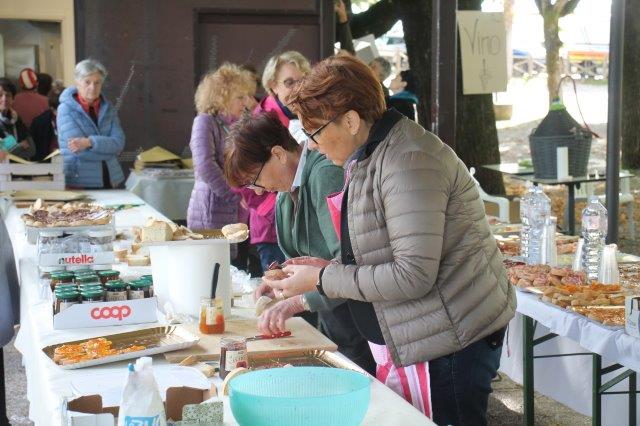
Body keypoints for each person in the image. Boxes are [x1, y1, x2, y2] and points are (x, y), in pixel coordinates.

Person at [263, 55, 516, 425]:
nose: (312, 146)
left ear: (351, 121)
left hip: (452, 340)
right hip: (429, 332)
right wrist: (327, 267)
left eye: (314, 132)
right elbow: (381, 248)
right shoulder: (373, 153)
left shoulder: (407, 162)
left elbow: (412, 275)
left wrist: (323, 279)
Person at [224, 111, 376, 374]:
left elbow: (348, 260)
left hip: (357, 320)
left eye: (255, 179)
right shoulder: (286, 190)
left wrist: (297, 301)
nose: (258, 190)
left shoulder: (324, 175)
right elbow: (302, 258)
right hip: (333, 319)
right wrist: (280, 282)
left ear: (278, 154)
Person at [187, 63, 257, 243]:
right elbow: (205, 165)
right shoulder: (204, 121)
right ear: (220, 98)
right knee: (215, 257)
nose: (246, 102)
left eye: (247, 96)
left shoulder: (240, 123)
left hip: (237, 212)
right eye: (240, 97)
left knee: (234, 259)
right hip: (211, 210)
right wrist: (235, 194)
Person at [57, 59, 125, 189]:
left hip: (110, 178)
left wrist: (89, 142)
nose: (92, 87)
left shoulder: (108, 108)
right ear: (77, 82)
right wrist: (110, 153)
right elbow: (78, 151)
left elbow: (119, 143)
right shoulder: (65, 109)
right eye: (87, 82)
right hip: (80, 181)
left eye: (97, 82)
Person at [0, 78, 36, 160]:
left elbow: (32, 150)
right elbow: (1, 155)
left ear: (13, 99)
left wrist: (8, 147)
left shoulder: (17, 120)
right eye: (0, 95)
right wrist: (20, 145)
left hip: (18, 167)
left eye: (8, 95)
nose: (4, 99)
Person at [30, 89, 62, 161]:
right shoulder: (40, 122)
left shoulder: (75, 119)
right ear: (51, 108)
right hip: (46, 162)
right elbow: (35, 151)